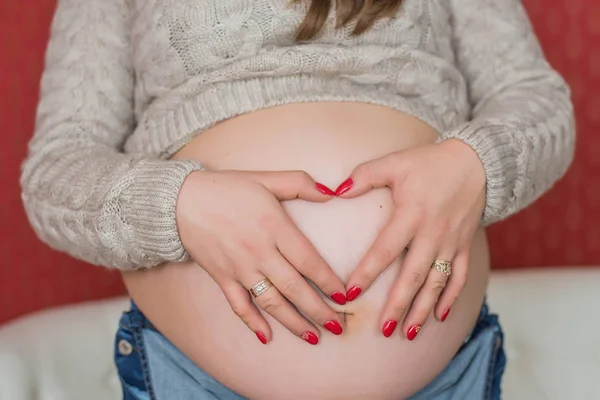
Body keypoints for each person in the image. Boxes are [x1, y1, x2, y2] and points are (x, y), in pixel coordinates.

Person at [21, 0, 575, 399]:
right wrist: (180, 204)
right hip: (199, 382)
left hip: (445, 378)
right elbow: (55, 171)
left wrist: (473, 164)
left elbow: (537, 101)